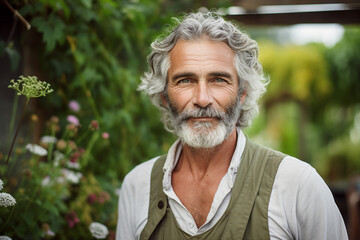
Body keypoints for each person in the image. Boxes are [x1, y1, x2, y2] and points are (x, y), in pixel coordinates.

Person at [116, 11, 348, 240]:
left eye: (218, 79)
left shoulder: (297, 185)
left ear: (243, 92)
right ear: (164, 95)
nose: (203, 98)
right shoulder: (137, 186)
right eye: (185, 80)